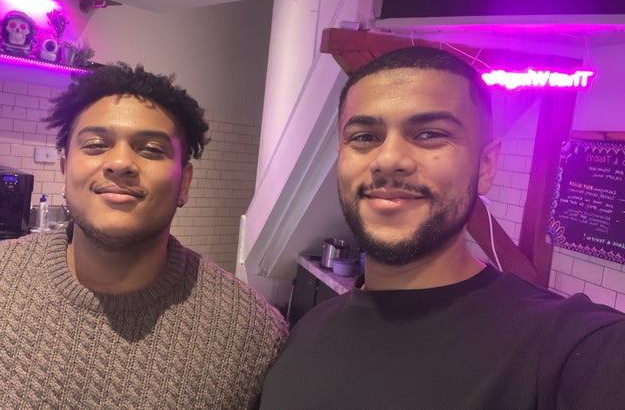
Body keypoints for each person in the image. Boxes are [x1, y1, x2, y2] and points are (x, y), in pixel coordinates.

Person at [0, 63, 287, 409]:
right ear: (65, 169)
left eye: (151, 149)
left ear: (185, 182)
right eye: (97, 144)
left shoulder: (250, 332)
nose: (120, 163)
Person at [260, 47, 625, 409]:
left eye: (429, 134)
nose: (388, 160)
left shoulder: (573, 348)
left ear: (485, 166)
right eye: (365, 137)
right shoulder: (305, 332)